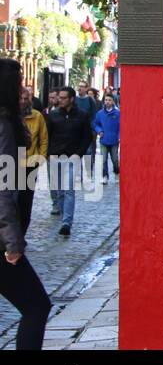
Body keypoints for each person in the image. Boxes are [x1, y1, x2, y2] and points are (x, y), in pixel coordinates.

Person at [0, 58, 52, 349]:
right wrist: (13, 242)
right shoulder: (4, 124)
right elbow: (2, 187)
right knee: (36, 305)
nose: (23, 90)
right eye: (19, 83)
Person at [44, 87, 90, 238]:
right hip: (56, 157)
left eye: (64, 98)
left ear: (71, 99)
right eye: (60, 98)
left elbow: (87, 137)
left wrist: (79, 154)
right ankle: (65, 217)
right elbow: (48, 136)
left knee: (69, 190)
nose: (60, 100)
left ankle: (66, 223)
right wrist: (48, 154)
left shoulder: (82, 116)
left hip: (72, 158)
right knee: (59, 191)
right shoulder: (54, 115)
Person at [17, 86, 47, 235]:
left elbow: (43, 139)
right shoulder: (10, 116)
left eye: (26, 98)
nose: (23, 101)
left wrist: (39, 159)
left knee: (26, 201)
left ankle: (21, 232)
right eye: (21, 99)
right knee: (11, 200)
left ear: (31, 99)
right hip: (11, 164)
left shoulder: (37, 116)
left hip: (30, 164)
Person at [75, 83, 101, 182]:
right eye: (79, 86)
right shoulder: (74, 99)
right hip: (76, 130)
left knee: (88, 152)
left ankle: (88, 173)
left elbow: (94, 115)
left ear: (86, 88)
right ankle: (78, 174)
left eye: (82, 86)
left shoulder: (90, 100)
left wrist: (92, 128)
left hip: (88, 130)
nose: (79, 88)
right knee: (77, 153)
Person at [93, 94, 120, 183]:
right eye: (106, 100)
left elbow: (121, 126)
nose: (107, 102)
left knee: (115, 159)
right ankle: (105, 176)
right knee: (103, 160)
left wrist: (119, 137)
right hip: (103, 140)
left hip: (114, 140)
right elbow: (96, 124)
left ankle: (117, 173)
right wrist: (99, 131)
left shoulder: (118, 113)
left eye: (109, 100)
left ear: (113, 101)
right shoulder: (100, 113)